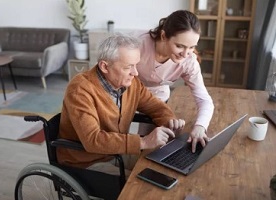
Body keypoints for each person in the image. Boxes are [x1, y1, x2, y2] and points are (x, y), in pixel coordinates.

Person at [57, 34, 185, 175]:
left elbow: (154, 106)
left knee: (162, 168)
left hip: (116, 153)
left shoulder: (131, 83)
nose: (135, 72)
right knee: (141, 183)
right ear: (105, 67)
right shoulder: (80, 89)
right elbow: (92, 140)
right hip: (86, 162)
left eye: (136, 65)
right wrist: (143, 142)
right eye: (128, 67)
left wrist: (170, 121)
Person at [136, 10, 214, 153]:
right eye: (180, 46)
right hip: (130, 94)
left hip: (158, 99)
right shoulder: (139, 45)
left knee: (157, 146)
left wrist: (200, 126)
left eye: (192, 47)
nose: (185, 54)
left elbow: (204, 99)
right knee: (137, 142)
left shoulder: (189, 62)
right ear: (164, 36)